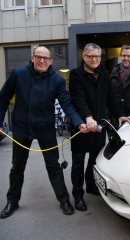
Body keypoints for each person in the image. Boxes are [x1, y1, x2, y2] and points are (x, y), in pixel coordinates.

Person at [0, 46, 88, 218]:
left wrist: (78, 122)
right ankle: (12, 201)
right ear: (32, 58)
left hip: (45, 128)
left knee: (53, 166)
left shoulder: (57, 80)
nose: (42, 61)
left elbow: (66, 104)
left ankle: (63, 200)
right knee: (17, 167)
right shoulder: (18, 74)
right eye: (38, 57)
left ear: (50, 61)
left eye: (45, 58)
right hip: (21, 128)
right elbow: (3, 99)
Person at [69, 43, 130, 212]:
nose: (94, 59)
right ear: (84, 57)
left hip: (99, 126)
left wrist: (119, 115)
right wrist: (87, 117)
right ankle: (77, 194)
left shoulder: (104, 73)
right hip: (83, 125)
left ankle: (90, 186)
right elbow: (78, 99)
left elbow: (110, 98)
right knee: (78, 162)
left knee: (94, 160)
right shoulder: (76, 74)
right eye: (90, 56)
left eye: (97, 56)